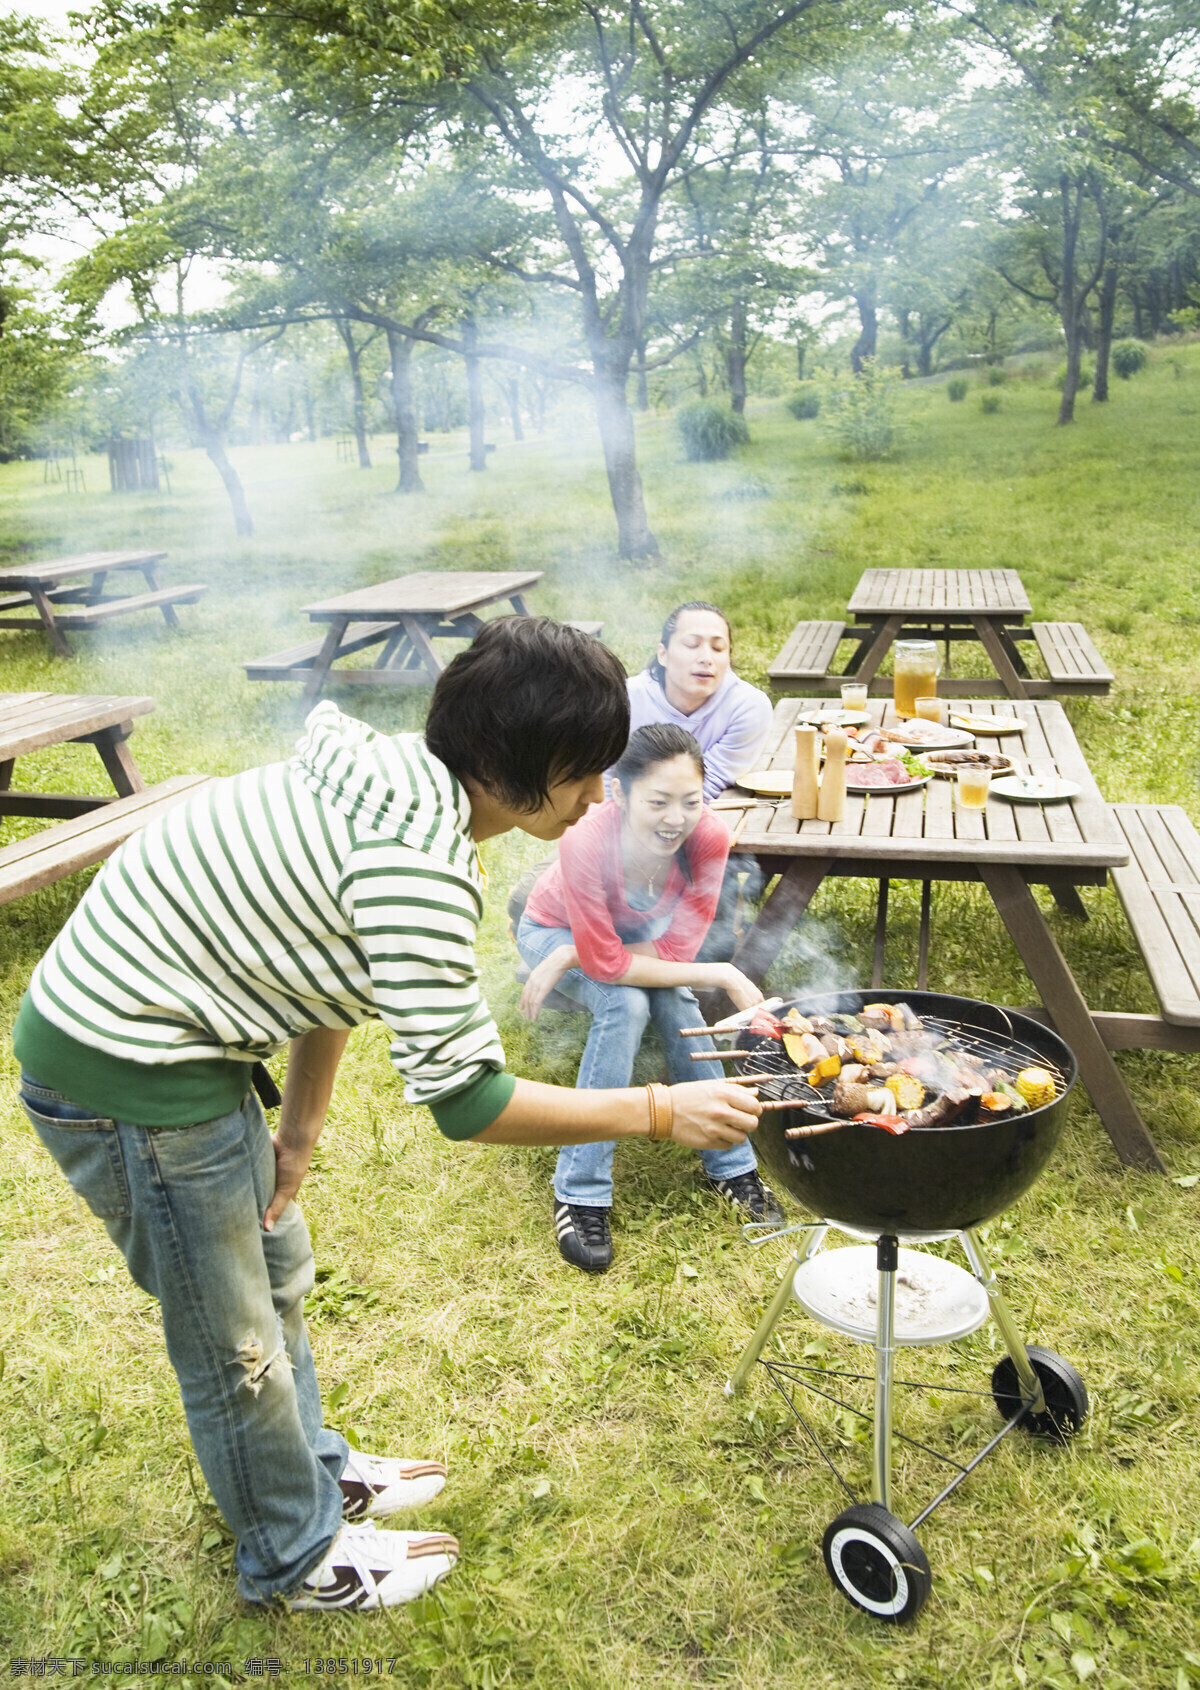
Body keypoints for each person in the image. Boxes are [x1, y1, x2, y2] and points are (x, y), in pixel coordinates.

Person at [12, 618, 762, 1616]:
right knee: (231, 1338)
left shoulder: (402, 776)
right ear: (510, 765)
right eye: (583, 771)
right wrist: (659, 1108)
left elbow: (328, 958)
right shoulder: (416, 863)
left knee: (274, 1268)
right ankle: (292, 1553)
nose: (596, 795)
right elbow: (469, 1100)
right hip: (127, 1071)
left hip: (179, 1042)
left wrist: (300, 1131)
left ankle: (312, 1468)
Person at [517, 722, 784, 1275]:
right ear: (620, 793)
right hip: (553, 932)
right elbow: (612, 965)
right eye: (658, 801)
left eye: (690, 801)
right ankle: (580, 1192)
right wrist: (575, 953)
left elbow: (671, 948)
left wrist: (594, 957)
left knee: (667, 998)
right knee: (626, 1002)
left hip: (620, 944)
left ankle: (732, 1164)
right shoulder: (586, 838)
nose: (675, 819)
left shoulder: (709, 838)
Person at [621, 602, 773, 962]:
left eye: (718, 648)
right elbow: (605, 776)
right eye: (692, 645)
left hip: (694, 821)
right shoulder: (625, 700)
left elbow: (710, 781)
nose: (707, 658)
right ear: (663, 653)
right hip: (620, 824)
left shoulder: (748, 706)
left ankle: (691, 956)